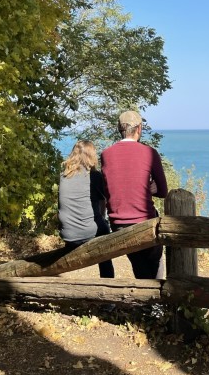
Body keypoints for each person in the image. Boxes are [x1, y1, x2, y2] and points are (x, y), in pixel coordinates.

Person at [101, 110, 168, 279]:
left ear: (119, 129)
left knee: (139, 263)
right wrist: (150, 187)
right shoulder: (149, 153)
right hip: (144, 222)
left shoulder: (106, 154)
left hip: (118, 225)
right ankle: (154, 301)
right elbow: (163, 191)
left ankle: (145, 301)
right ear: (139, 129)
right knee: (155, 261)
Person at [58, 139, 114, 278]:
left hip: (68, 235)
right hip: (88, 232)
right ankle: (108, 285)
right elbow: (103, 204)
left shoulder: (64, 175)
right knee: (105, 234)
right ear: (91, 155)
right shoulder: (94, 176)